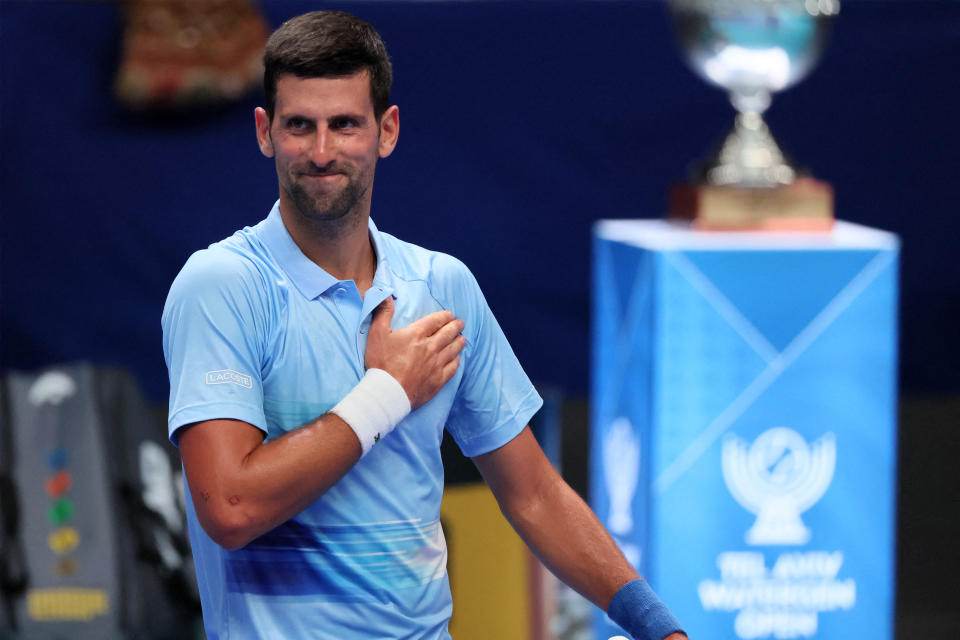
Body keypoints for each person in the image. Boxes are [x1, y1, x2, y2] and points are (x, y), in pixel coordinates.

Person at [162, 10, 687, 640]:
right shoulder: (220, 286)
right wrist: (385, 394)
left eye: (345, 125)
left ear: (387, 131)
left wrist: (658, 627)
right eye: (300, 125)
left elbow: (534, 495)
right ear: (264, 132)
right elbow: (231, 506)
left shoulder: (442, 287)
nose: (322, 151)